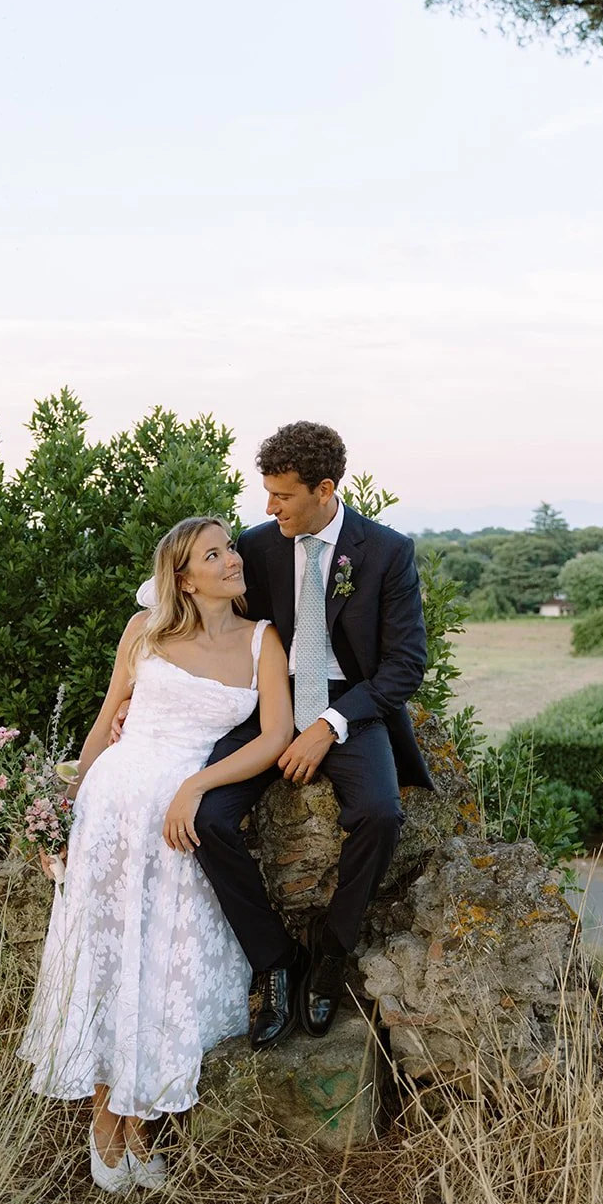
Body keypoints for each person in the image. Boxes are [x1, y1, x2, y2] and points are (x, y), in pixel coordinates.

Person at [18, 516, 293, 1193]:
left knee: (162, 969)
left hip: (177, 821)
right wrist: (62, 813)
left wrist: (198, 783)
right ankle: (104, 1128)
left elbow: (276, 735)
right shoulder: (143, 632)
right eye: (214, 553)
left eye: (230, 548)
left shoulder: (262, 640)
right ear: (182, 575)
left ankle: (139, 1122)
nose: (231, 559)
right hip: (111, 812)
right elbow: (105, 718)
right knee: (107, 963)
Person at [193, 421, 432, 1048]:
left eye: (282, 496)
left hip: (349, 711)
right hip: (267, 705)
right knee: (209, 817)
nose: (268, 508)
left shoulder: (385, 551)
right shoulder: (258, 546)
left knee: (380, 815)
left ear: (325, 490)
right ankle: (276, 960)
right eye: (266, 494)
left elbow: (404, 666)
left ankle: (329, 955)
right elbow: (207, 623)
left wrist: (329, 724)